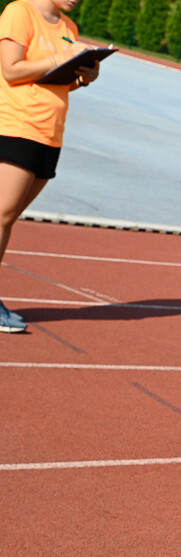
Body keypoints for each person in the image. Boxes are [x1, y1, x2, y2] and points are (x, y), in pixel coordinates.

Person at [0, 0, 99, 334]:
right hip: (16, 125)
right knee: (2, 215)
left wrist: (83, 78)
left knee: (7, 218)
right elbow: (11, 70)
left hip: (50, 133)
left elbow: (57, 79)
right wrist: (59, 58)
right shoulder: (19, 11)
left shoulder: (69, 28)